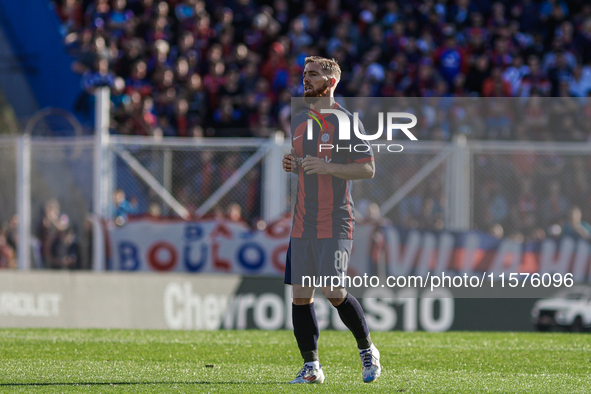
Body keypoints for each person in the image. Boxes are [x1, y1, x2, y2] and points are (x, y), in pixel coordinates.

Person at [281, 56, 380, 384]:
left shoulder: (346, 122)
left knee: (333, 290)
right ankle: (312, 367)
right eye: (304, 74)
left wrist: (329, 168)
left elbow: (367, 168)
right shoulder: (298, 121)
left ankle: (367, 348)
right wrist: (293, 163)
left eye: (312, 75)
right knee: (300, 294)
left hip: (336, 221)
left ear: (331, 82)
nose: (305, 80)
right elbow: (306, 161)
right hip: (303, 222)